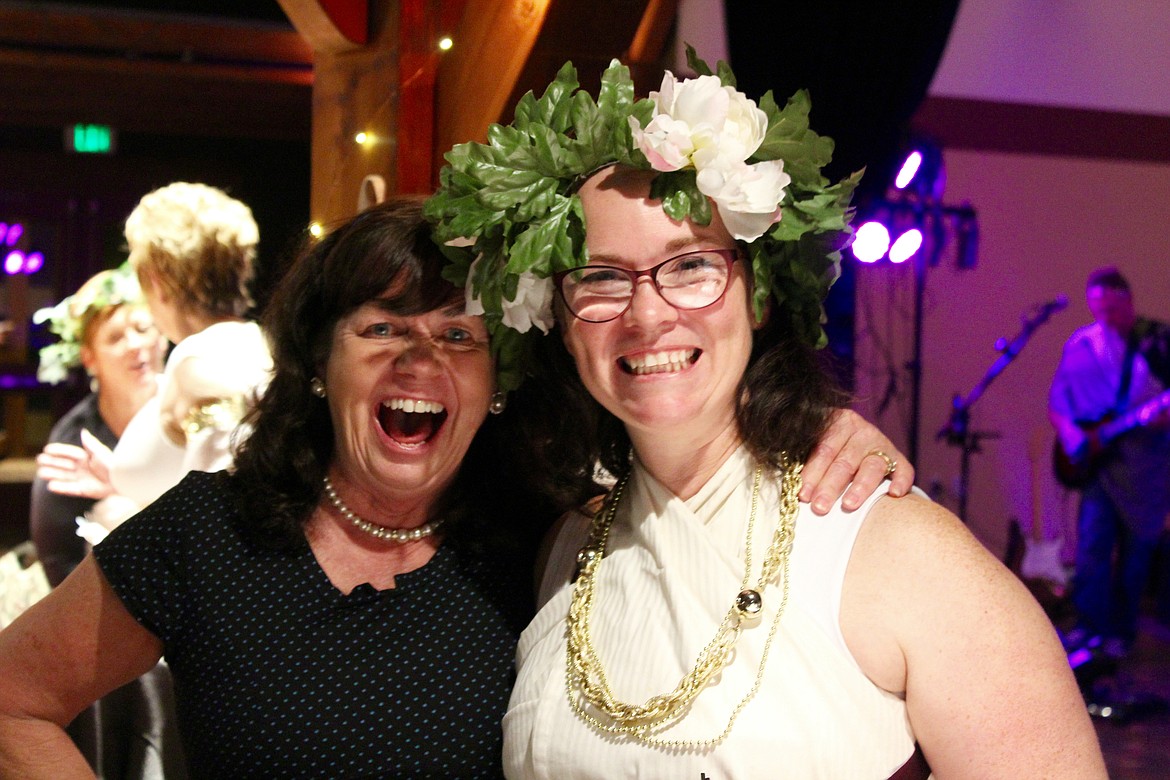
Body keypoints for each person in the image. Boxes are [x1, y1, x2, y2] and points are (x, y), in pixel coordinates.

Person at [0, 198, 908, 778]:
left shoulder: (548, 546)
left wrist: (814, 428)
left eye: (461, 336)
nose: (422, 359)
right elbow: (15, 698)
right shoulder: (211, 533)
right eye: (384, 327)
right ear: (320, 362)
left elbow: (700, 463)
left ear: (497, 380)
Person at [427, 54, 1106, 777]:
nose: (648, 312)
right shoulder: (564, 548)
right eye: (600, 276)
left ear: (760, 298)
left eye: (692, 266)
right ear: (560, 323)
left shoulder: (897, 551)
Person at [36, 182, 273, 529]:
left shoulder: (199, 361)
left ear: (156, 280)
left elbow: (221, 509)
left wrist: (128, 524)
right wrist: (118, 480)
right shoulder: (256, 342)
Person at [1049, 266, 1170, 659]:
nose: (1106, 318)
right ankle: (1089, 629)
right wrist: (1072, 437)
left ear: (1128, 301)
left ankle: (1122, 633)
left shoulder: (1158, 342)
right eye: (1097, 308)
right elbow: (1059, 400)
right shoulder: (1082, 343)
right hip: (1099, 464)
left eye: (1112, 308)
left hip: (1144, 467)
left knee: (1136, 554)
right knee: (1093, 547)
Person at [30, 264, 165, 587]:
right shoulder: (74, 440)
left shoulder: (197, 412)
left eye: (143, 328)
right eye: (116, 337)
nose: (135, 345)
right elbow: (57, 557)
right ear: (89, 358)